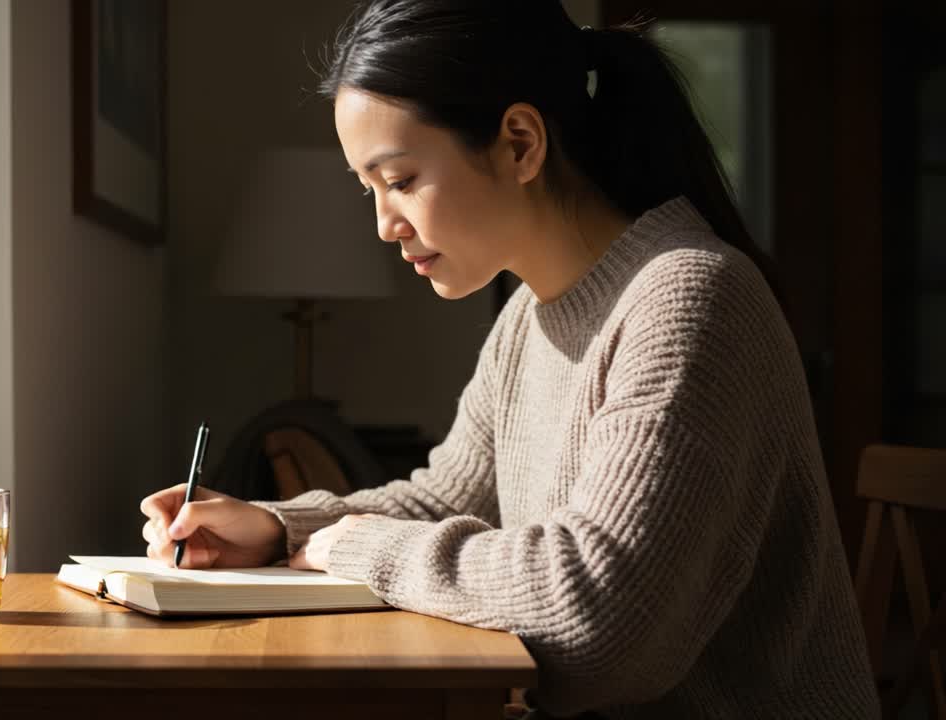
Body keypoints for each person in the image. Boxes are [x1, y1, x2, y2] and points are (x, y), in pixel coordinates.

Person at [140, 1, 880, 717]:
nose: (383, 225)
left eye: (399, 181)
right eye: (368, 188)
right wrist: (276, 528)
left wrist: (358, 548)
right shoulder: (530, 313)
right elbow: (447, 503)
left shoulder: (690, 298)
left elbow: (601, 619)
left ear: (521, 142)